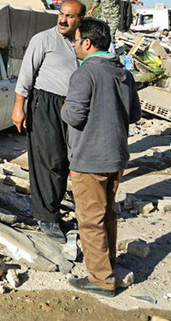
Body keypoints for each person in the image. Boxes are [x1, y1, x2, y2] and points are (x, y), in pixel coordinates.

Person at [62, 17, 141, 297]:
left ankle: (101, 279)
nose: (73, 45)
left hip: (90, 158)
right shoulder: (123, 73)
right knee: (108, 213)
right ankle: (108, 264)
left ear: (87, 42)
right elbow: (134, 114)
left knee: (90, 220)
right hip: (116, 156)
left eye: (75, 40)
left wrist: (64, 107)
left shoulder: (84, 74)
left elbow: (74, 115)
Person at [13, 0, 86, 242]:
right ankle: (45, 217)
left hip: (72, 106)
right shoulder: (43, 39)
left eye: (70, 16)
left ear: (80, 19)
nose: (63, 20)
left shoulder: (82, 42)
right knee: (48, 160)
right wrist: (18, 107)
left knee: (64, 161)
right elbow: (26, 76)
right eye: (61, 14)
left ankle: (53, 210)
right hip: (45, 104)